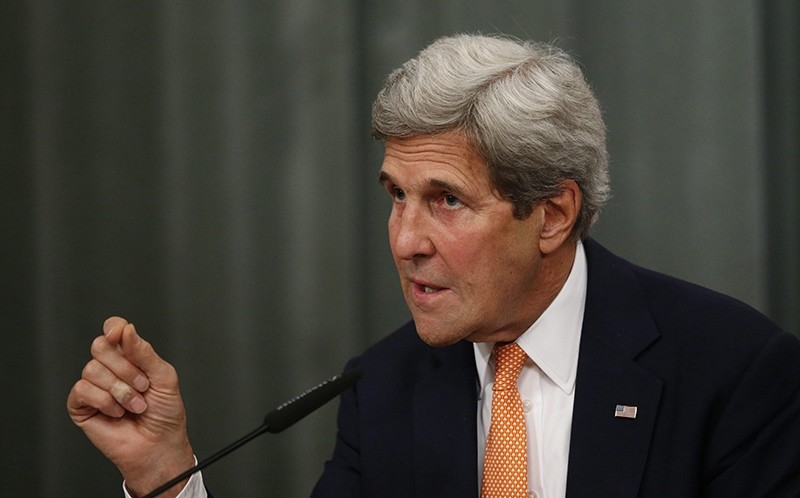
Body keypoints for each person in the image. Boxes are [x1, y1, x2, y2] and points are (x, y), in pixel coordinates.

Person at [67, 33, 800, 498]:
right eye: (397, 196)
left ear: (552, 214)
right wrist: (166, 474)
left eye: (446, 200)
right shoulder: (384, 386)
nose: (404, 239)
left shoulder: (732, 371)